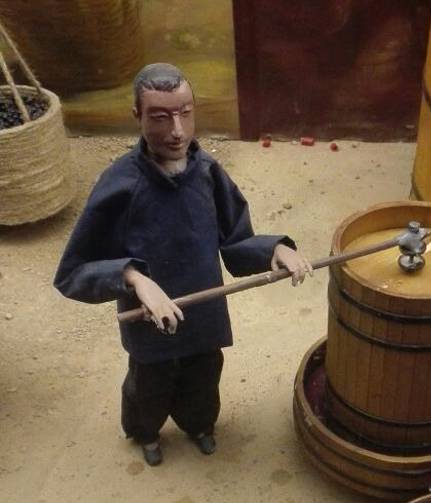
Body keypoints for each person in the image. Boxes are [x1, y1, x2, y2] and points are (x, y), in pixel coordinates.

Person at [54, 63, 312, 466]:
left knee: (203, 376)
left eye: (185, 113)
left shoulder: (207, 172)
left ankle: (199, 425)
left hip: (203, 311)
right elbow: (74, 271)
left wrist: (274, 249)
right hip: (148, 319)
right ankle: (147, 433)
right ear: (138, 116)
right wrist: (133, 277)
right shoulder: (119, 185)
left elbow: (235, 240)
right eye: (160, 117)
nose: (177, 131)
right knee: (149, 382)